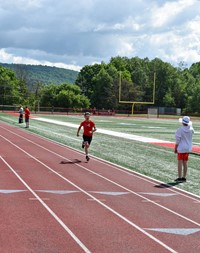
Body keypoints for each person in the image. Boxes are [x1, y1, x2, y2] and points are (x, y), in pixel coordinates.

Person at [174, 116, 194, 182]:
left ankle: (179, 177)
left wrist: (175, 148)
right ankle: (184, 177)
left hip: (181, 148)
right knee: (185, 162)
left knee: (180, 162)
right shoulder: (191, 129)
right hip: (188, 148)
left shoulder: (179, 130)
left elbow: (177, 141)